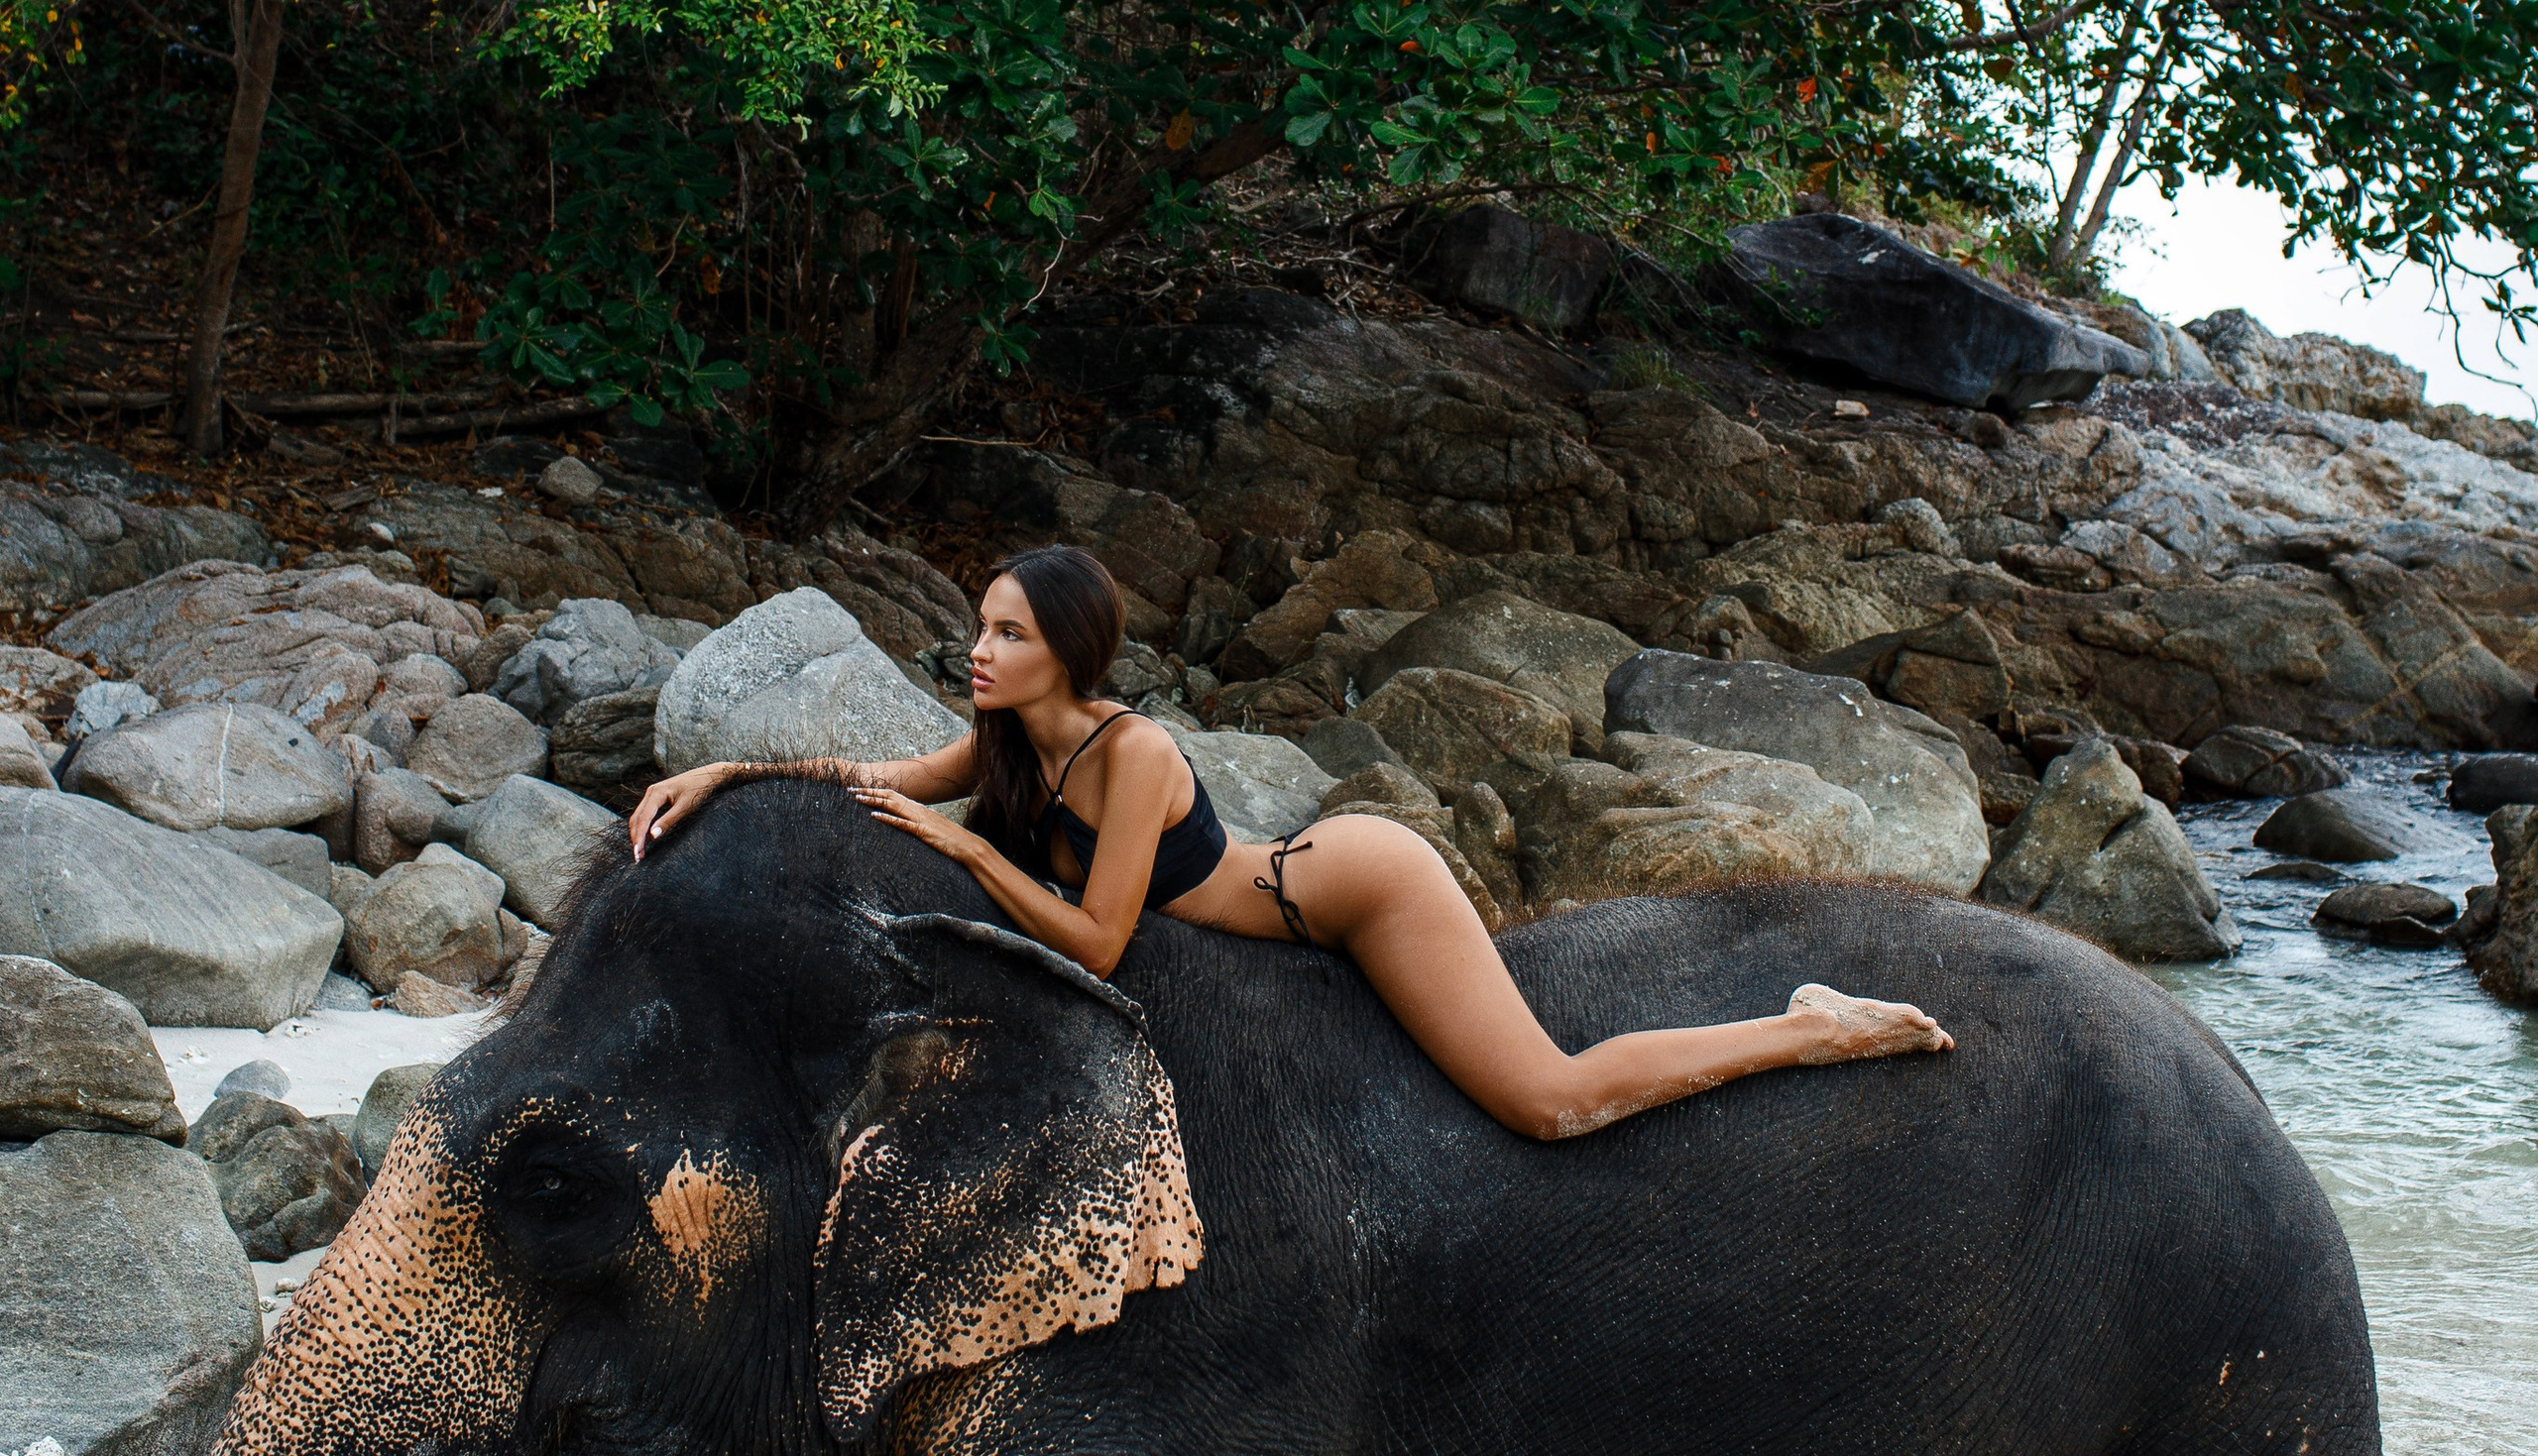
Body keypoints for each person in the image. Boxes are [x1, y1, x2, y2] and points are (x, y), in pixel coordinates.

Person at [630, 543, 1950, 1142]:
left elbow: (1099, 936)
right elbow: (879, 778)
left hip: (1359, 892)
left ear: (1073, 652)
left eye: (1011, 635)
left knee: (1552, 1102)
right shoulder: (1009, 741)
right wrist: (722, 771)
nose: (980, 651)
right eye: (978, 627)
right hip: (1294, 871)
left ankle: (1811, 1026)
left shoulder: (1128, 755)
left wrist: (968, 853)